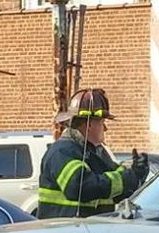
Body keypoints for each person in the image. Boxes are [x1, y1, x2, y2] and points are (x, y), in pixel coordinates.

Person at [36, 87, 150, 219]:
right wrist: (127, 177)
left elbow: (115, 191)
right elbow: (81, 187)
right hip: (64, 229)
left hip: (92, 229)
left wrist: (137, 174)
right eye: (102, 122)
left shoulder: (96, 154)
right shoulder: (62, 152)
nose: (105, 129)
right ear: (89, 124)